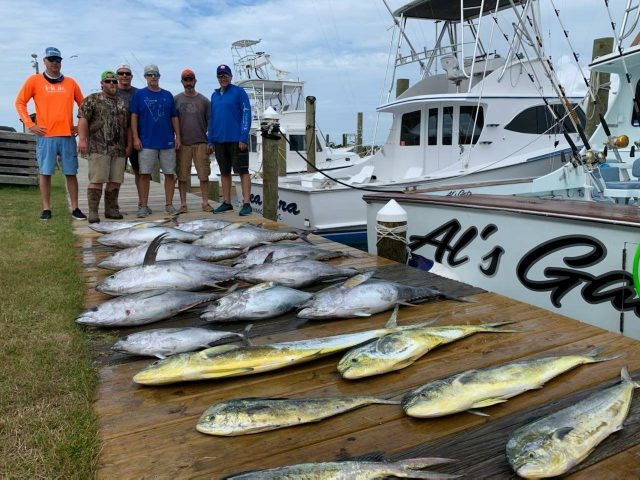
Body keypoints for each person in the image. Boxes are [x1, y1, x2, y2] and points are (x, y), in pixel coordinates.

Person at [15, 46, 86, 221]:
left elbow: (84, 106)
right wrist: (30, 124)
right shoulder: (34, 80)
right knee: (45, 173)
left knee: (71, 173)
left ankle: (75, 208)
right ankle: (46, 209)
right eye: (51, 60)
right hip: (46, 136)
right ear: (44, 61)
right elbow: (20, 102)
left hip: (68, 136)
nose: (55, 63)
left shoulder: (71, 82)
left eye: (58, 60)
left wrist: (78, 126)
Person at [77, 71, 131, 223]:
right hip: (98, 148)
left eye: (114, 81)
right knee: (97, 179)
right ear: (102, 84)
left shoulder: (122, 103)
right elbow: (83, 119)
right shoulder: (92, 100)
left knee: (115, 180)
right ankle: (93, 212)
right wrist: (82, 139)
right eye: (108, 81)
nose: (112, 84)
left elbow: (128, 127)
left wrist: (129, 144)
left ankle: (111, 209)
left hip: (119, 149)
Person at [129, 64, 181, 217]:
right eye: (150, 74)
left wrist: (178, 136)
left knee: (170, 174)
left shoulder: (167, 95)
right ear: (145, 76)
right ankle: (144, 206)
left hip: (167, 141)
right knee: (144, 174)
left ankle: (169, 204)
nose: (153, 77)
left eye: (155, 74)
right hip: (146, 142)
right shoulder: (139, 95)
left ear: (159, 76)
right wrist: (135, 137)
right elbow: (134, 117)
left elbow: (174, 117)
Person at [207, 64, 252, 215]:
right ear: (217, 78)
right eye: (220, 76)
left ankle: (246, 203)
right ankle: (226, 202)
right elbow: (212, 119)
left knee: (242, 171)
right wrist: (210, 140)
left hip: (236, 139)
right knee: (224, 171)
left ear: (231, 76)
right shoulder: (214, 95)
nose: (223, 78)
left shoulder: (239, 92)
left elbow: (246, 114)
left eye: (225, 75)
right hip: (219, 140)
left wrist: (243, 137)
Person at [174, 69, 212, 213]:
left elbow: (211, 121)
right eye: (186, 80)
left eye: (191, 79)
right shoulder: (176, 99)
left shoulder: (204, 101)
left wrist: (211, 141)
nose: (188, 82)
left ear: (195, 81)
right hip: (183, 144)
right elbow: (172, 120)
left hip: (201, 142)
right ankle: (183, 204)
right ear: (182, 82)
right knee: (182, 176)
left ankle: (205, 202)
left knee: (204, 175)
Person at [114, 63, 141, 212]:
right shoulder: (112, 91)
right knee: (117, 173)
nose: (124, 76)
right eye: (121, 73)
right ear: (117, 76)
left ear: (131, 76)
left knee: (139, 171)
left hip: (137, 137)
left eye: (127, 73)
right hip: (117, 139)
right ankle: (114, 203)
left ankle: (141, 202)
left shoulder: (138, 93)